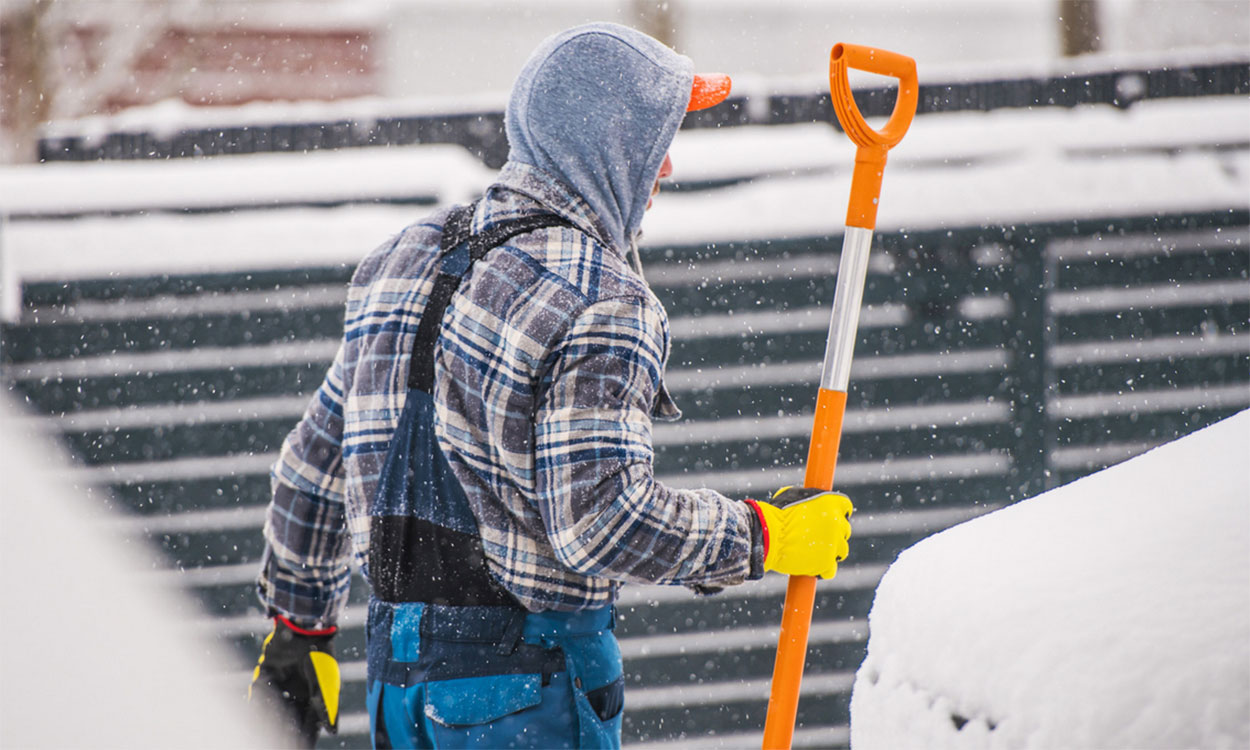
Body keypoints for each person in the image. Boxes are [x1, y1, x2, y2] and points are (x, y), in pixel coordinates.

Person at [248, 22, 854, 749]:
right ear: (610, 143)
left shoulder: (400, 261)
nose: (664, 170)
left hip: (398, 693)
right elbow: (602, 522)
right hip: (526, 695)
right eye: (656, 141)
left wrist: (300, 630)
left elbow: (313, 467)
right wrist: (760, 535)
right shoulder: (602, 297)